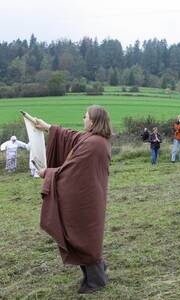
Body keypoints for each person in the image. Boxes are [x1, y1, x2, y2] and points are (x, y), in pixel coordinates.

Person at [34, 105, 112, 294]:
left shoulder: (94, 143)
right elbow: (71, 136)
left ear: (92, 121)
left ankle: (96, 281)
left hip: (86, 200)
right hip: (87, 198)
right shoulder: (92, 139)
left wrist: (48, 173)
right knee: (81, 234)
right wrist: (48, 127)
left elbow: (71, 172)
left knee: (84, 236)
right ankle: (97, 272)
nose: (83, 119)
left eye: (85, 116)